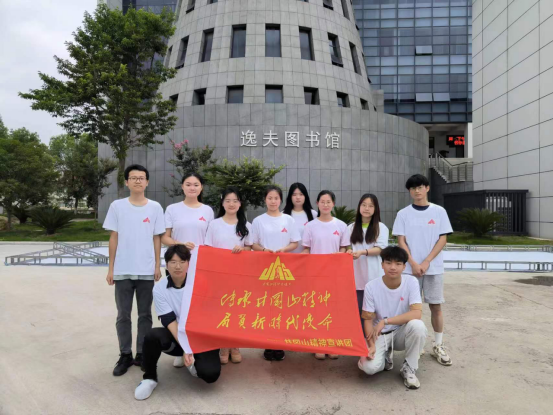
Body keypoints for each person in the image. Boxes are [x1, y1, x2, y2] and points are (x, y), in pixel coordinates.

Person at [134, 245, 221, 400]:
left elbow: (209, 317)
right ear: (167, 264)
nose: (178, 266)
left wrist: (193, 346)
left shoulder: (201, 283)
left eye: (182, 261)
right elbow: (169, 321)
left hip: (200, 336)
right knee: (152, 336)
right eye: (173, 262)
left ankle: (192, 362)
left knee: (210, 375)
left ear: (188, 263)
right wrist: (186, 348)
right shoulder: (160, 289)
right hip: (177, 335)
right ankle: (149, 378)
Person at [103, 164, 165, 376]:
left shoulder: (155, 207)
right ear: (126, 182)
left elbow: (157, 238)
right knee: (123, 315)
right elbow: (114, 237)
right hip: (123, 270)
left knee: (145, 315)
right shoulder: (117, 206)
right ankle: (125, 354)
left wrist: (157, 265)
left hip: (146, 271)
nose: (138, 181)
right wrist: (111, 268)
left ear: (147, 182)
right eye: (133, 177)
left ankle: (142, 354)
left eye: (141, 178)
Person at [392, 174, 453, 366]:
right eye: (413, 188)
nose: (416, 191)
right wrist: (413, 263)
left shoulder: (439, 211)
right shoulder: (403, 214)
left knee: (436, 306)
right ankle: (414, 346)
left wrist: (426, 262)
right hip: (410, 270)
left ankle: (438, 345)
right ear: (409, 191)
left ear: (427, 188)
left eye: (420, 187)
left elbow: (443, 238)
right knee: (410, 309)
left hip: (433, 268)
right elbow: (401, 241)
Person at [358, 246, 427, 389]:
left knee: (418, 326)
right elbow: (368, 319)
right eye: (388, 262)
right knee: (369, 368)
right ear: (382, 265)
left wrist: (386, 321)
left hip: (401, 332)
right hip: (380, 334)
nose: (393, 267)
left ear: (404, 266)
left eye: (398, 263)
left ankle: (409, 367)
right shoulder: (371, 286)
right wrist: (371, 345)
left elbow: (416, 313)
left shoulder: (411, 282)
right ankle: (384, 356)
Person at [252, 185, 301, 361]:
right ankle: (268, 343)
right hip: (264, 269)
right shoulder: (258, 221)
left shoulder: (288, 220)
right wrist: (264, 250)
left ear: (281, 200)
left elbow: (295, 242)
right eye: (270, 198)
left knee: (282, 306)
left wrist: (284, 250)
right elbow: (253, 244)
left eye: (276, 198)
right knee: (267, 307)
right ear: (265, 200)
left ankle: (280, 343)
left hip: (284, 269)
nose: (273, 201)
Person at [205, 187, 253, 364]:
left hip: (239, 276)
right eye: (228, 201)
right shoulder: (214, 224)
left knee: (237, 310)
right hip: (219, 275)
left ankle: (235, 345)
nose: (231, 204)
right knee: (221, 310)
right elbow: (208, 249)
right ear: (222, 203)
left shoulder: (247, 225)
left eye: (235, 200)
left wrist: (243, 249)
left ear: (240, 204)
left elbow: (250, 247)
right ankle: (223, 345)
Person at [301, 190, 350, 360]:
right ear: (317, 204)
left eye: (328, 202)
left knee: (333, 308)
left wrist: (340, 254)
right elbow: (306, 249)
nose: (325, 205)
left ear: (333, 204)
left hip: (335, 275)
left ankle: (332, 343)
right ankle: (318, 343)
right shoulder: (310, 226)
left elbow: (344, 247)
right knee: (317, 309)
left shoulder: (341, 226)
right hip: (315, 275)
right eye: (322, 202)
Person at [346, 194, 389, 318]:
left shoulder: (381, 227)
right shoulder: (351, 227)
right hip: (356, 275)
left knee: (374, 311)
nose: (366, 208)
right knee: (358, 310)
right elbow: (347, 246)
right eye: (364, 205)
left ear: (376, 209)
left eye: (370, 206)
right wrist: (349, 251)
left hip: (374, 273)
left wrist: (362, 252)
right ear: (359, 207)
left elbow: (380, 249)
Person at [162, 173, 214, 253]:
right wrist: (181, 245)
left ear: (201, 187)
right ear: (182, 186)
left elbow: (211, 239)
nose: (192, 188)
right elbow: (164, 238)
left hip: (200, 257)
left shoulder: (208, 210)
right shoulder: (171, 209)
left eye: (196, 185)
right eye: (188, 185)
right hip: (178, 257)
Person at [282, 183, 318, 253]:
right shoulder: (283, 215)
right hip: (287, 256)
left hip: (308, 256)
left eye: (301, 194)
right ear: (290, 197)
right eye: (294, 195)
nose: (298, 197)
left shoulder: (313, 214)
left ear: (305, 196)